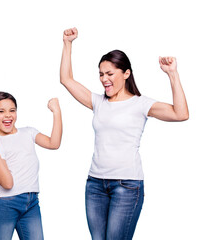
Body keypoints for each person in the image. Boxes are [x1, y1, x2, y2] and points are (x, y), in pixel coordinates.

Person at [60, 27, 189, 240]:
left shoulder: (141, 104)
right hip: (95, 184)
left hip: (127, 186)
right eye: (101, 74)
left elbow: (180, 113)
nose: (104, 79)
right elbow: (66, 79)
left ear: (126, 74)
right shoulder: (98, 102)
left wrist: (172, 74)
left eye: (110, 74)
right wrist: (67, 43)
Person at [0, 91, 62, 240]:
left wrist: (57, 112)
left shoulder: (29, 132)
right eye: (1, 111)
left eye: (12, 110)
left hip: (31, 203)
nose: (8, 115)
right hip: (5, 205)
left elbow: (54, 143)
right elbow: (7, 183)